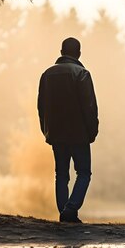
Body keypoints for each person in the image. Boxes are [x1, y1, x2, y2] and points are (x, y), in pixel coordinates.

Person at [38, 37, 99, 223]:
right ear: (78, 53)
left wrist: (46, 131)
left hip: (56, 134)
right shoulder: (82, 74)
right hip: (79, 134)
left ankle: (65, 213)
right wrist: (92, 131)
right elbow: (89, 106)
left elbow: (41, 107)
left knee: (61, 174)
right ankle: (70, 210)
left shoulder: (47, 74)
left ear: (61, 51)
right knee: (84, 173)